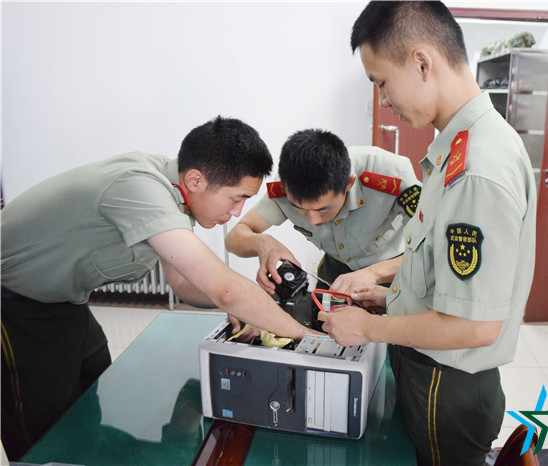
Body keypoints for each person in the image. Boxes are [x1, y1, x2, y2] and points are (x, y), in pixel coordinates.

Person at [0, 116, 313, 460]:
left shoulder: (176, 196)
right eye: (236, 198)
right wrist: (309, 339)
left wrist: (249, 307)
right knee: (45, 433)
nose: (237, 212)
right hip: (14, 303)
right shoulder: (139, 187)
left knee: (88, 396)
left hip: (65, 301)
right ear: (195, 179)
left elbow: (183, 284)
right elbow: (224, 289)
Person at [318, 2, 538, 465]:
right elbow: (444, 273)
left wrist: (368, 327)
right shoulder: (460, 148)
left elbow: (473, 326)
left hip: (446, 387)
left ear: (422, 62)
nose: (383, 99)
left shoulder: (476, 168)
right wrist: (392, 297)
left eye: (381, 82)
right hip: (431, 369)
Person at [225, 128, 421, 295]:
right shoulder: (287, 185)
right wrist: (263, 243)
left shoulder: (391, 175)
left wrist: (374, 274)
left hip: (399, 269)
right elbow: (234, 238)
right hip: (336, 270)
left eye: (323, 208)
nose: (313, 220)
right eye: (300, 209)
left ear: (349, 184)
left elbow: (432, 249)